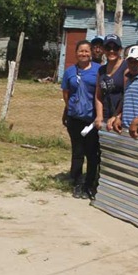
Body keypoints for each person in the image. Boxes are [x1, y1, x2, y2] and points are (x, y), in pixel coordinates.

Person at [60, 40, 101, 200]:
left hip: (92, 119)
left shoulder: (99, 70)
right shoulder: (70, 72)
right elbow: (66, 93)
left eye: (86, 51)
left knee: (92, 153)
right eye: (80, 51)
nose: (83, 54)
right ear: (76, 53)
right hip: (75, 118)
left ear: (91, 53)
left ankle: (89, 183)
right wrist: (70, 109)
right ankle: (77, 181)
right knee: (77, 152)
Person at [107, 46, 138, 137]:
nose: (133, 64)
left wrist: (137, 121)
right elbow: (126, 101)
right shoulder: (128, 79)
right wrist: (118, 117)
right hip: (125, 129)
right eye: (130, 61)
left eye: (136, 61)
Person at [95, 33, 127, 129]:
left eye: (115, 48)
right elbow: (98, 95)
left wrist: (116, 116)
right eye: (108, 48)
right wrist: (99, 115)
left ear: (120, 50)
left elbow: (127, 95)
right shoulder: (101, 70)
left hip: (120, 119)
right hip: (105, 118)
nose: (111, 51)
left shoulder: (126, 67)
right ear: (104, 50)